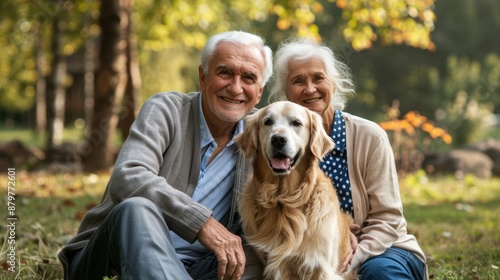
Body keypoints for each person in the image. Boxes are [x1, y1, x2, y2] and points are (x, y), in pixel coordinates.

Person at [58, 30, 273, 280]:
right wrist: (201, 223)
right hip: (112, 259)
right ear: (203, 77)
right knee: (137, 209)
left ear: (259, 92)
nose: (236, 88)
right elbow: (128, 176)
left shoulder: (263, 134)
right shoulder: (166, 110)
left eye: (248, 78)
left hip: (201, 267)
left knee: (260, 254)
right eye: (224, 72)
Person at [268, 38, 428, 280]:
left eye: (318, 78)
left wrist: (349, 253)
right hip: (309, 256)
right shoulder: (277, 144)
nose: (310, 88)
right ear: (285, 92)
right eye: (298, 81)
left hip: (380, 250)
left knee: (380, 274)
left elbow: (388, 218)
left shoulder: (370, 137)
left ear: (333, 84)